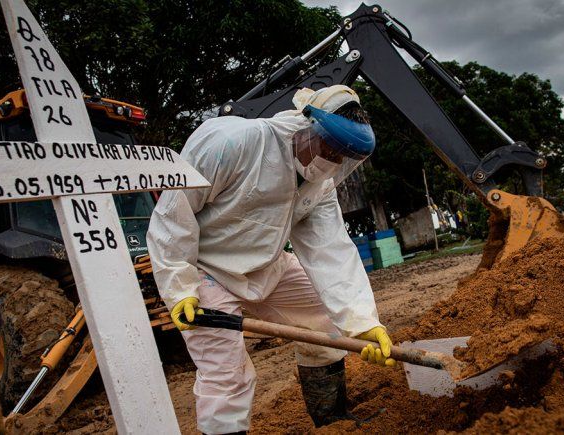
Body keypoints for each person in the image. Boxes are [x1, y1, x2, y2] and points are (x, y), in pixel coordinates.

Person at [147, 85, 394, 434]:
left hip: (268, 266)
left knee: (323, 322)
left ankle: (332, 422)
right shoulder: (232, 143)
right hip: (207, 272)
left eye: (342, 156)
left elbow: (331, 251)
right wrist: (180, 286)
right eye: (330, 149)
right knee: (226, 374)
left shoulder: (320, 184)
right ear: (306, 127)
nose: (333, 162)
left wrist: (363, 322)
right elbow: (173, 216)